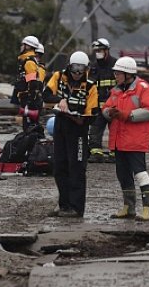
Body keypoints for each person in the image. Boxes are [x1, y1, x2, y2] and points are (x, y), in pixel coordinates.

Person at [103, 56, 149, 222]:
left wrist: (127, 115)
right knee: (123, 174)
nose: (115, 76)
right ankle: (129, 207)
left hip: (135, 141)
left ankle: (148, 209)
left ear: (128, 74)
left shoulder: (143, 89)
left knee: (140, 174)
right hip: (119, 141)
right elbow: (105, 107)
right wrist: (108, 112)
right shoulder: (117, 90)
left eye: (118, 73)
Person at [43, 51, 98, 218]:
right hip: (60, 124)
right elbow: (46, 95)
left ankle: (76, 208)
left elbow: (93, 112)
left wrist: (79, 117)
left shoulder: (90, 86)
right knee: (59, 165)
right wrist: (60, 99)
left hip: (78, 129)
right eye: (74, 69)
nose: (77, 73)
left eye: (81, 70)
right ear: (69, 66)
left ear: (86, 69)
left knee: (77, 168)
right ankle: (64, 205)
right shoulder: (59, 77)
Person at [87, 38, 118, 163]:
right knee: (95, 130)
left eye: (100, 50)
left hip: (113, 107)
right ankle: (96, 153)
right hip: (98, 107)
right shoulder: (93, 67)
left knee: (116, 130)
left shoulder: (116, 65)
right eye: (96, 50)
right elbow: (90, 87)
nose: (98, 53)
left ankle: (115, 153)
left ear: (107, 50)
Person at [14, 35, 45, 131]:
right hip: (26, 98)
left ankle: (34, 143)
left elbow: (32, 81)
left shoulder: (29, 62)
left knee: (30, 128)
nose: (21, 47)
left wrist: (30, 100)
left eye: (22, 45)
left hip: (29, 99)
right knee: (28, 126)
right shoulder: (26, 61)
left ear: (28, 46)